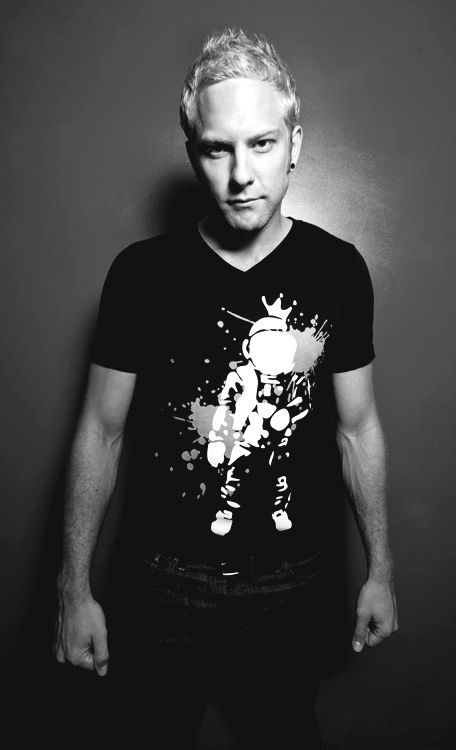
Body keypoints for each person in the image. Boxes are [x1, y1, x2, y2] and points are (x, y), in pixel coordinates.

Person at [54, 28, 398, 749]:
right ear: (193, 154)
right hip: (163, 580)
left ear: (295, 144)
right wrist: (71, 588)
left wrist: (382, 571)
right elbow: (100, 432)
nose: (242, 174)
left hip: (293, 581)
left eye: (263, 144)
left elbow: (356, 428)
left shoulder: (338, 270)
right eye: (218, 149)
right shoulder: (140, 274)